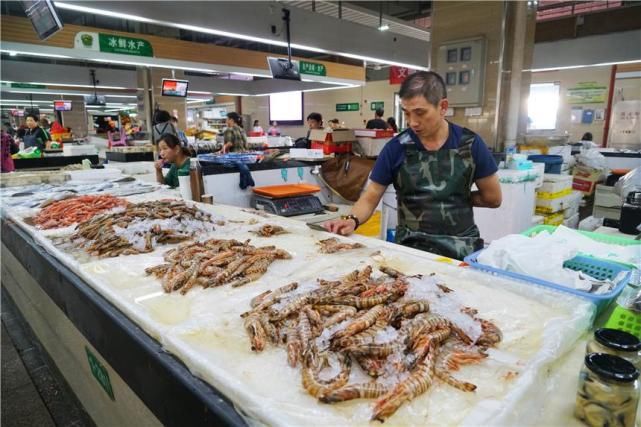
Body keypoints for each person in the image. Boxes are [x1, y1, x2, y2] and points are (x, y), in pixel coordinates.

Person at [323, 71, 502, 260]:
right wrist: (352, 220)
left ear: (443, 106)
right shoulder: (396, 148)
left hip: (461, 253)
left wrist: (448, 197)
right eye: (407, 113)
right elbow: (370, 197)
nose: (412, 122)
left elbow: (494, 198)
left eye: (420, 113)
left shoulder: (471, 145)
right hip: (411, 253)